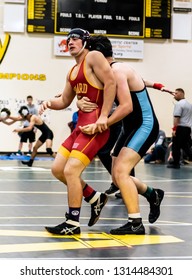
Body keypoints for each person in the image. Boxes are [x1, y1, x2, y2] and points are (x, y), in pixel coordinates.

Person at [80, 35, 170, 235]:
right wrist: (156, 85)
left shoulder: (117, 70)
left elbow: (127, 107)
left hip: (144, 125)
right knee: (117, 173)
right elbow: (139, 80)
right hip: (131, 127)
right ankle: (153, 194)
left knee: (121, 173)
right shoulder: (112, 71)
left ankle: (135, 223)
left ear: (97, 55)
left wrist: (101, 123)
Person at [39, 28, 118, 235]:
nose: (70, 42)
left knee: (71, 171)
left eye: (74, 38)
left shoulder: (94, 56)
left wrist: (104, 117)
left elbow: (111, 82)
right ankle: (94, 197)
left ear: (85, 41)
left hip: (94, 127)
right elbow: (65, 100)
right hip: (80, 127)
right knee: (58, 169)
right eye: (68, 39)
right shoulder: (72, 71)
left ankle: (72, 223)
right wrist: (48, 102)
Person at [167, 88, 192, 169]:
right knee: (186, 147)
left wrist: (174, 129)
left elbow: (177, 117)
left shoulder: (179, 104)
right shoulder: (189, 105)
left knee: (176, 146)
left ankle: (176, 163)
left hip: (180, 128)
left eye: (176, 93)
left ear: (182, 94)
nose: (174, 95)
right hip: (187, 129)